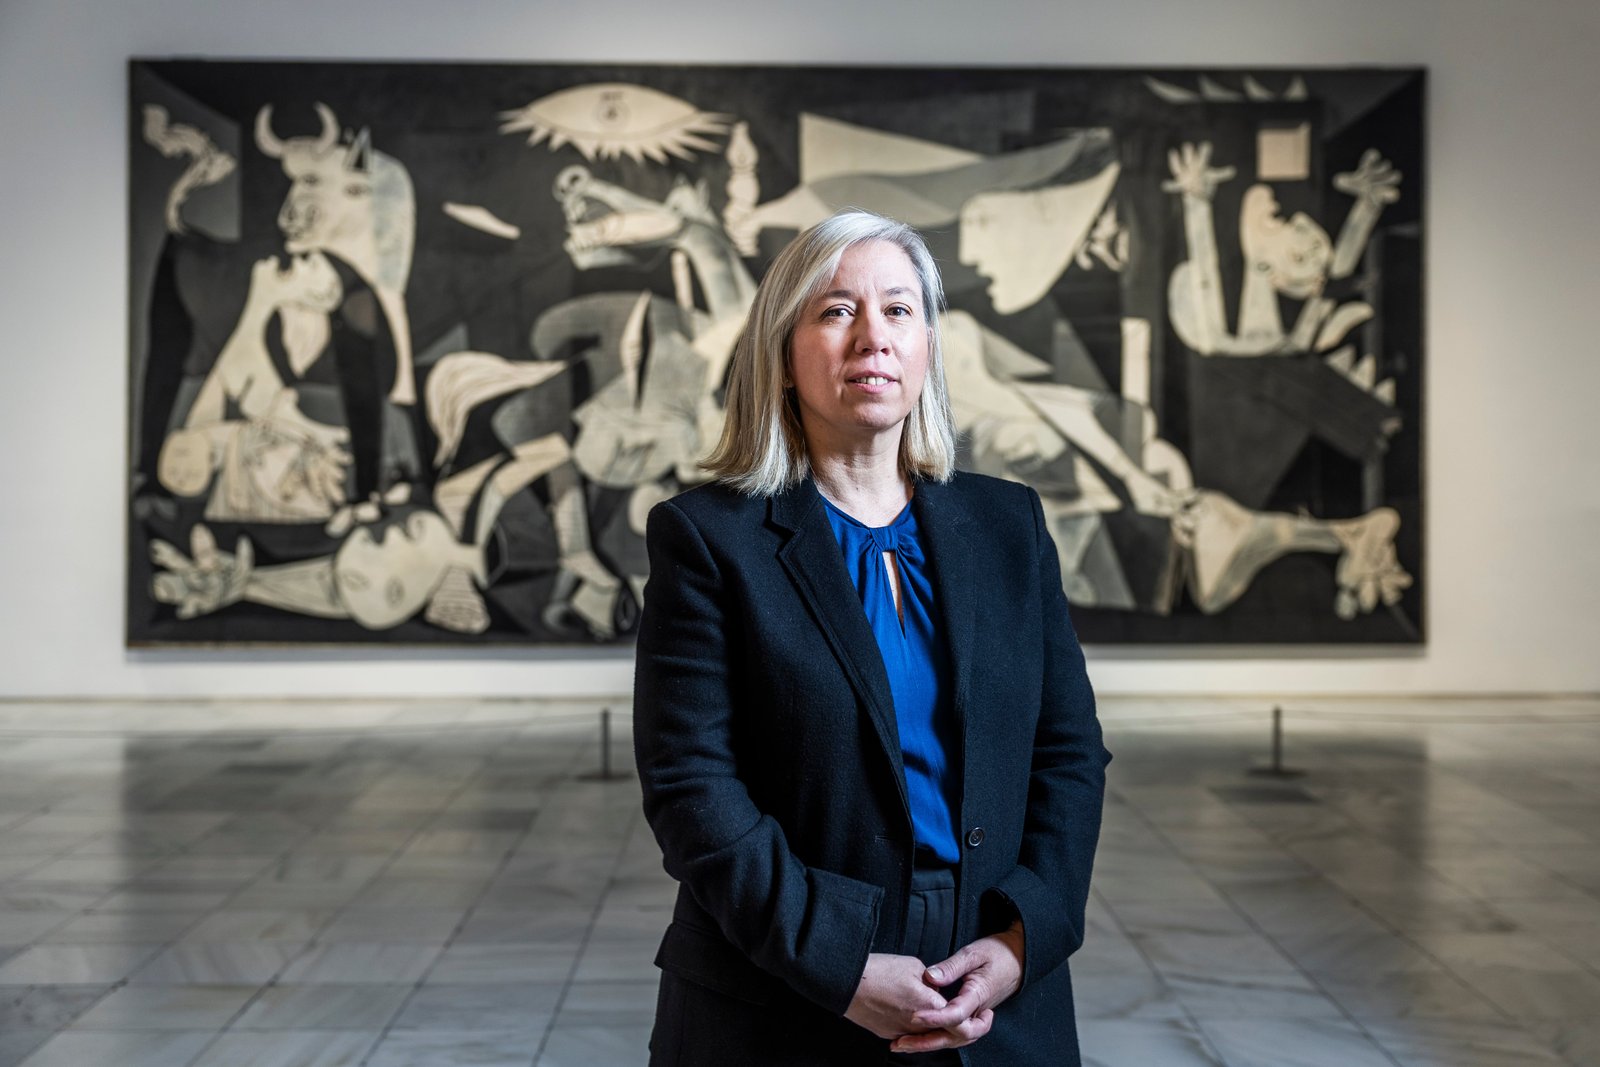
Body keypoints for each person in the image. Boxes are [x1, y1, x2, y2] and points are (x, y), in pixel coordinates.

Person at [633, 210, 1110, 1065]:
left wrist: (1023, 937)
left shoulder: (1009, 525)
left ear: (927, 344)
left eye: (897, 309)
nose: (872, 337)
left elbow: (1069, 751)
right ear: (783, 353)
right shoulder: (707, 539)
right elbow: (692, 785)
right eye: (835, 310)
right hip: (782, 998)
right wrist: (839, 962)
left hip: (996, 991)